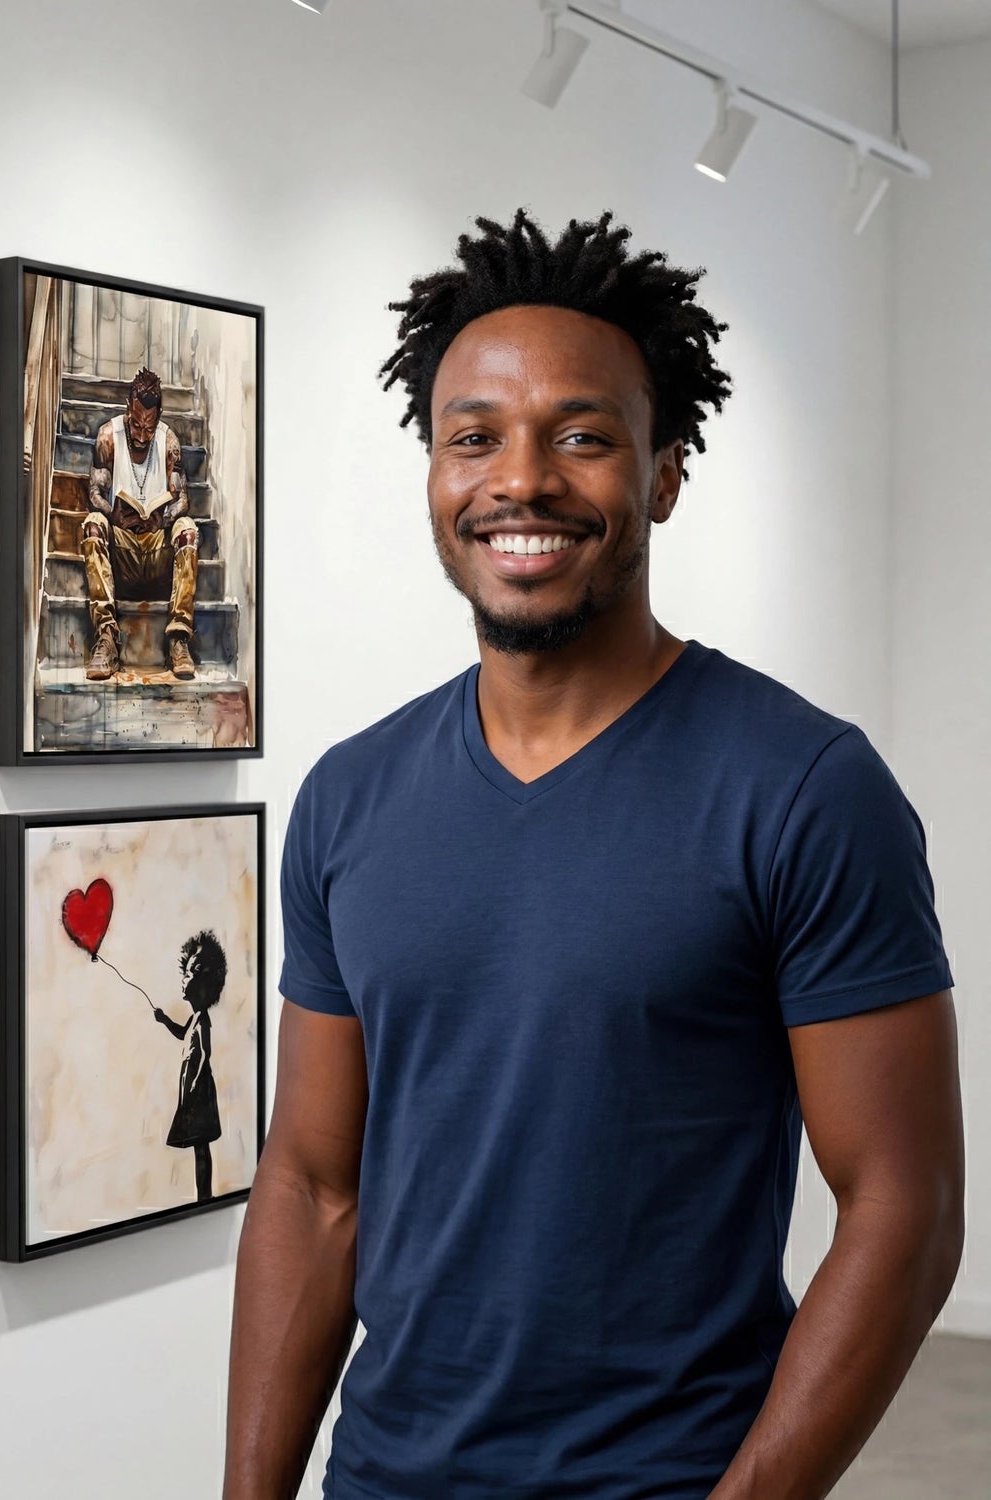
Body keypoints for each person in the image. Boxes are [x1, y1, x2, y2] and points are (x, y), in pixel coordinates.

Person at [224, 211, 965, 1500]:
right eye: (475, 438)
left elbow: (907, 1206)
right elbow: (310, 1185)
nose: (522, 481)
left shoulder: (803, 789)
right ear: (435, 475)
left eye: (582, 434)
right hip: (385, 1475)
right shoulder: (349, 798)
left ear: (664, 474)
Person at [83, 366, 199, 681]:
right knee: (93, 523)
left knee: (188, 527)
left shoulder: (169, 442)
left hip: (156, 550)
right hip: (122, 551)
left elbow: (183, 499)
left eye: (149, 428)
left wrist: (167, 517)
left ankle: (178, 638)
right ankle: (107, 636)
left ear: (158, 417)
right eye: (136, 425)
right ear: (128, 409)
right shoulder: (109, 436)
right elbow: (94, 492)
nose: (141, 435)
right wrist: (111, 512)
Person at [152, 929, 228, 1202]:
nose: (185, 977)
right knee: (199, 1147)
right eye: (185, 971)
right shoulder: (194, 1019)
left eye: (192, 971)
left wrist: (193, 1086)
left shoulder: (203, 1019)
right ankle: (202, 1194)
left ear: (206, 981)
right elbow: (183, 1035)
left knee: (201, 1147)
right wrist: (164, 1021)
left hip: (199, 1092)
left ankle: (204, 1195)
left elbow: (204, 1054)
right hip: (194, 1091)